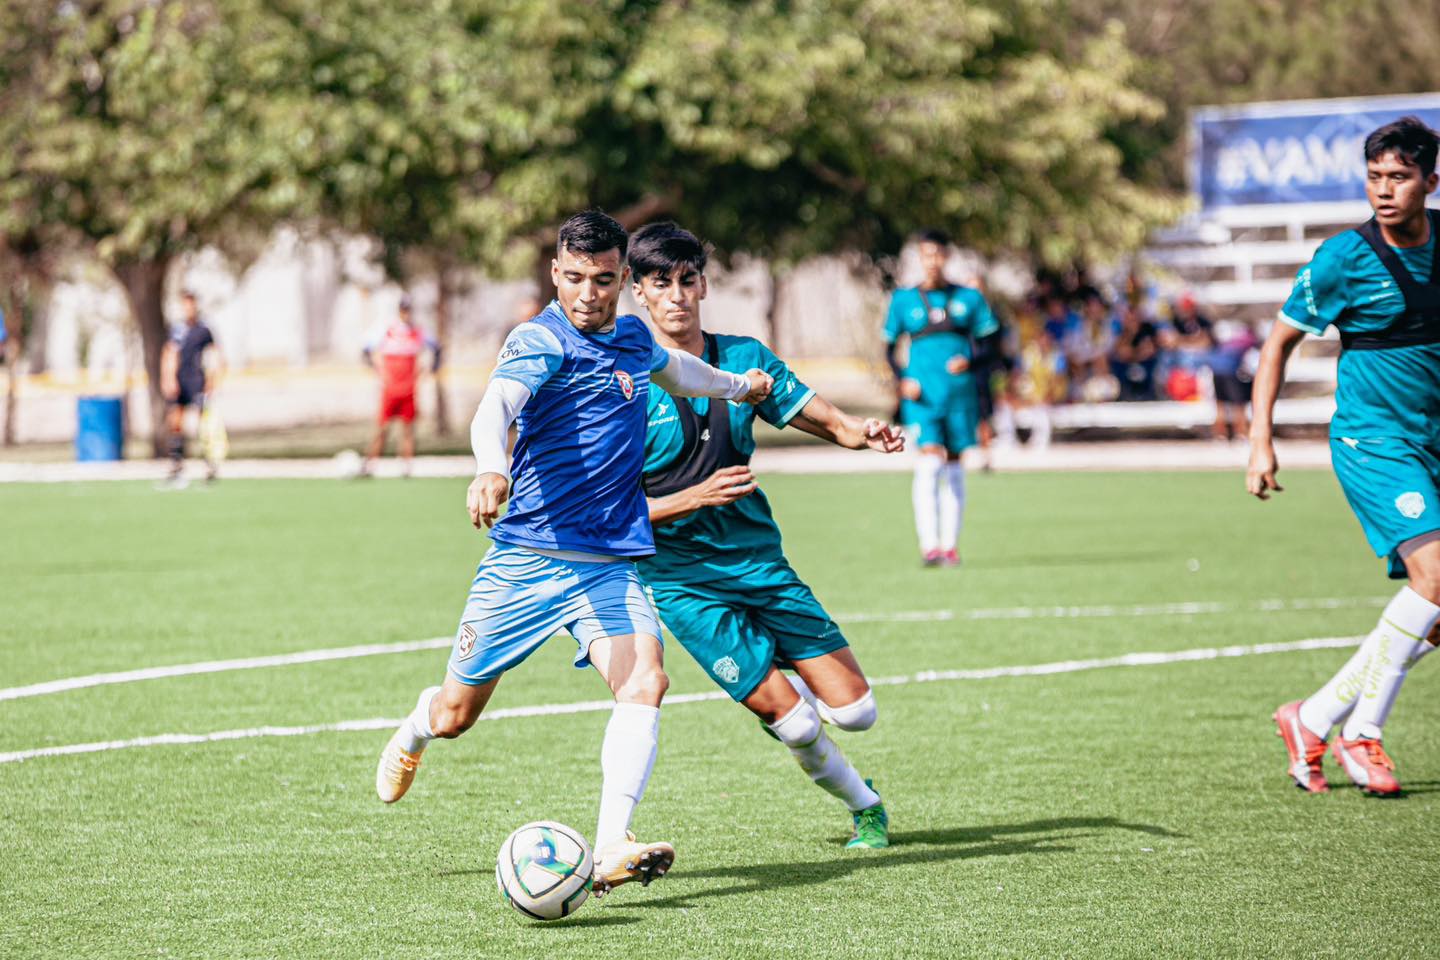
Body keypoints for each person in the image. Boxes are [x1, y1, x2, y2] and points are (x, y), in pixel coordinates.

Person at [373, 211, 775, 896]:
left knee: (646, 681)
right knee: (455, 717)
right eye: (573, 278)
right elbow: (494, 408)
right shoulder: (540, 340)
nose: (587, 293)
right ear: (555, 274)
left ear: (621, 277)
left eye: (602, 279)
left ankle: (614, 843)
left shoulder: (628, 339)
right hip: (527, 562)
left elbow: (678, 371)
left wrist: (741, 387)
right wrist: (489, 468)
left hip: (610, 566)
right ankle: (417, 725)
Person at [628, 222, 904, 849]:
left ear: (703, 285)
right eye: (659, 283)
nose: (676, 295)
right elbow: (608, 516)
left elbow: (827, 420)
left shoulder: (746, 358)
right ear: (637, 291)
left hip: (759, 563)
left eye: (687, 281)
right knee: (800, 726)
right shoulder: (623, 385)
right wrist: (691, 498)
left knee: (857, 713)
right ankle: (865, 806)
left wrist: (865, 431)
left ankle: (783, 679)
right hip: (681, 582)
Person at [1250, 117, 1440, 796]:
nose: (1385, 191)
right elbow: (1276, 347)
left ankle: (1315, 714)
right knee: (1436, 577)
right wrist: (1260, 441)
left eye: (1399, 177)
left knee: (1435, 612)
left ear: (1430, 180)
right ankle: (1363, 734)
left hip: (1434, 439)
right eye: (1375, 177)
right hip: (1375, 441)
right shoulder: (1343, 258)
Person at [883, 229, 1000, 566]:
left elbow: (992, 346)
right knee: (929, 461)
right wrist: (903, 380)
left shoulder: (970, 298)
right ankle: (929, 545)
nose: (931, 262)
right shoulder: (903, 300)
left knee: (953, 465)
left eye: (937, 254)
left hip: (959, 396)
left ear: (946, 257)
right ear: (920, 259)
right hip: (922, 397)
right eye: (925, 255)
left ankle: (950, 545)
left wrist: (971, 362)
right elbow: (889, 350)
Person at [362, 295, 440, 477]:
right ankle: (370, 463)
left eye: (408, 310)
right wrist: (377, 370)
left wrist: (430, 370)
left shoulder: (418, 333)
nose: (406, 313)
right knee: (382, 428)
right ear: (399, 311)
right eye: (403, 309)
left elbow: (436, 348)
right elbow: (366, 349)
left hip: (409, 389)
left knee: (407, 429)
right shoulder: (387, 330)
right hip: (390, 389)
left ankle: (406, 466)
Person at [159, 290, 225, 484]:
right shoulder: (177, 330)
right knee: (175, 422)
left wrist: (213, 379)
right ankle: (177, 466)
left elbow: (215, 355)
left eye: (191, 304)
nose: (188, 308)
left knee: (202, 425)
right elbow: (169, 353)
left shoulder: (204, 330)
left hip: (197, 381)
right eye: (185, 305)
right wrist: (168, 378)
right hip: (180, 382)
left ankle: (209, 465)